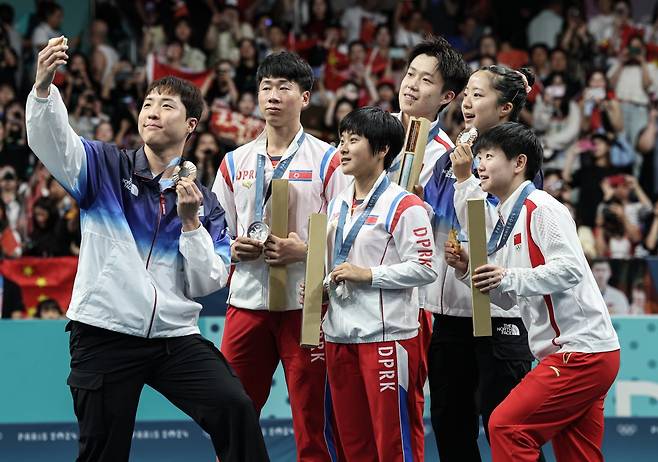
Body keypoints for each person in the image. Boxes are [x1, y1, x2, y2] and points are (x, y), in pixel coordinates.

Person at [26, 38, 268, 462]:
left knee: (236, 407)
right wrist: (44, 88)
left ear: (191, 125)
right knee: (103, 452)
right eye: (148, 104)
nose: (153, 111)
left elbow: (207, 282)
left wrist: (191, 223)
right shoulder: (103, 166)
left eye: (167, 105)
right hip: (104, 333)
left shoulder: (206, 203)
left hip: (174, 338)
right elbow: (54, 142)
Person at [446, 122, 620, 462]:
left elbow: (569, 269)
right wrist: (469, 269)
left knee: (506, 426)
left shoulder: (541, 208)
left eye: (488, 156)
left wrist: (507, 276)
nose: (479, 164)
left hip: (579, 352)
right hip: (582, 353)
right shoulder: (504, 217)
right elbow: (509, 298)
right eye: (478, 156)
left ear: (518, 162)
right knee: (577, 456)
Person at [212, 51, 348, 462]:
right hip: (247, 303)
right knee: (233, 411)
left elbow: (347, 234)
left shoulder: (330, 159)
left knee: (314, 421)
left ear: (304, 97)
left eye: (284, 87)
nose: (273, 95)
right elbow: (216, 232)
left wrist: (303, 249)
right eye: (266, 87)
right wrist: (233, 246)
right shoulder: (234, 162)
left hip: (306, 306)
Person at [425, 64, 541, 462]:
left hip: (497, 312)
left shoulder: (516, 159)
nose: (467, 101)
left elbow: (504, 230)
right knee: (450, 425)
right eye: (467, 92)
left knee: (505, 427)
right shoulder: (455, 151)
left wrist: (465, 180)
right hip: (449, 312)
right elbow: (440, 217)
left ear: (505, 107)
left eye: (478, 94)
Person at [324, 106, 437, 461]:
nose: (342, 148)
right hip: (339, 335)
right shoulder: (339, 203)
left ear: (383, 149)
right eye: (341, 140)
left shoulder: (405, 206)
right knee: (353, 444)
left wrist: (368, 274)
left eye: (353, 140)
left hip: (386, 340)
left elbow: (426, 268)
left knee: (394, 445)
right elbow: (338, 261)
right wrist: (322, 285)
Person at [386, 34, 470, 459]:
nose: (412, 85)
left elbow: (458, 231)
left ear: (447, 97)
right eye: (410, 74)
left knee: (404, 408)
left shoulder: (448, 158)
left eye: (426, 81)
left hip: (412, 303)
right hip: (355, 292)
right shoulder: (369, 135)